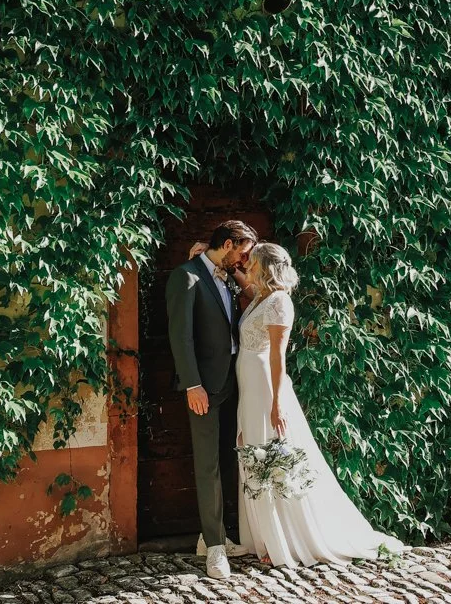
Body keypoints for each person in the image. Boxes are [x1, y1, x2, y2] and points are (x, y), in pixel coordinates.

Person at [233, 240, 403, 568]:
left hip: (266, 389)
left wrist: (278, 403)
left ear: (265, 268)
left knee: (271, 458)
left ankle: (281, 541)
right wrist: (230, 269)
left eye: (251, 263)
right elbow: (247, 289)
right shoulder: (261, 297)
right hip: (249, 389)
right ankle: (265, 537)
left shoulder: (280, 302)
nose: (247, 266)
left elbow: (277, 356)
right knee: (253, 452)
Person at [165, 219, 258, 580]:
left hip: (233, 382)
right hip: (203, 387)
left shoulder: (226, 277)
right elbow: (181, 337)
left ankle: (213, 536)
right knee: (207, 466)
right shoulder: (185, 277)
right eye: (244, 252)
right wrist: (192, 385)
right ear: (230, 243)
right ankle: (216, 552)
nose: (245, 260)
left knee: (225, 461)